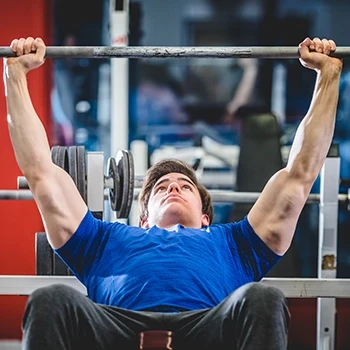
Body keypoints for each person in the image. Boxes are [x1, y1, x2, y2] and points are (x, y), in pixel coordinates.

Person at [3, 36, 342, 350]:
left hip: (208, 326)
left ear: (206, 217)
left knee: (262, 298)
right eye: (162, 187)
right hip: (117, 327)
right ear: (144, 215)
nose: (174, 187)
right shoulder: (102, 241)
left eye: (185, 186)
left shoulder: (236, 245)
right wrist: (15, 75)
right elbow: (41, 172)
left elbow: (299, 175)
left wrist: (328, 76)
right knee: (51, 299)